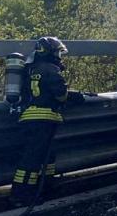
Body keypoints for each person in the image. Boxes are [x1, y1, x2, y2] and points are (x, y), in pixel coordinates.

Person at [10, 37, 85, 207]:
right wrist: (73, 97)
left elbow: (41, 90)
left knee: (46, 157)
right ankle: (21, 196)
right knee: (33, 159)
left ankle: (45, 188)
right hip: (42, 119)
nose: (60, 56)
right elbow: (60, 94)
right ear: (49, 52)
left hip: (29, 118)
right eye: (58, 52)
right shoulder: (51, 69)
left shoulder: (30, 69)